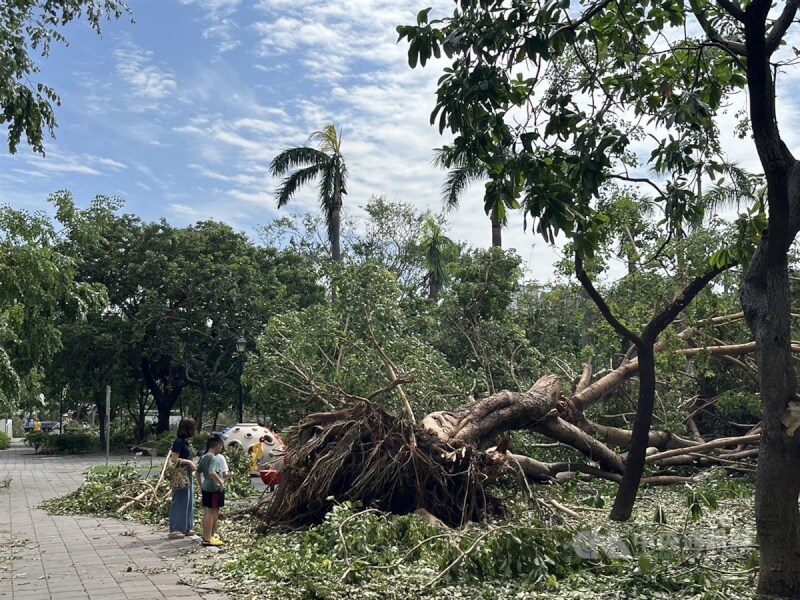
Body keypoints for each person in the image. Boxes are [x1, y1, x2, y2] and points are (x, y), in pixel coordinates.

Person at [168, 418, 197, 539]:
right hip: (181, 473)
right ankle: (176, 528)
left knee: (189, 500)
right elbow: (174, 459)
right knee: (180, 500)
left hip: (188, 473)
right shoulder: (178, 442)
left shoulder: (185, 442)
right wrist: (189, 462)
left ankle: (187, 526)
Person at [196, 433, 226, 547]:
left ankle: (207, 535)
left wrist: (200, 485)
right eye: (221, 446)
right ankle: (209, 537)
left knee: (207, 511)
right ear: (218, 445)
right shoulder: (213, 458)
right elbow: (212, 472)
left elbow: (198, 472)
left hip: (205, 487)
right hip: (214, 488)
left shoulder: (204, 457)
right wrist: (221, 482)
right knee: (212, 512)